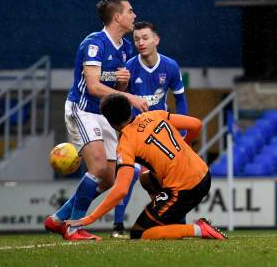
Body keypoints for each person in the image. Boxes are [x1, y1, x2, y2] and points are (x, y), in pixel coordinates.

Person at [43, 0, 149, 241]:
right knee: (99, 166)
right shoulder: (94, 43)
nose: (134, 15)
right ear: (117, 17)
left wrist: (123, 86)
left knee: (110, 178)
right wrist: (131, 98)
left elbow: (113, 91)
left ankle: (58, 219)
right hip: (82, 110)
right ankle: (73, 227)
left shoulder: (124, 48)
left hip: (102, 113)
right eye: (130, 11)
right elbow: (92, 87)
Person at [65, 94, 227, 241]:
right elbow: (197, 124)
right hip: (204, 173)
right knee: (145, 179)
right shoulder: (154, 114)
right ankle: (167, 219)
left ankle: (199, 229)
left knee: (141, 234)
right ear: (129, 109)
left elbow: (121, 189)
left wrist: (90, 218)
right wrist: (186, 143)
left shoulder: (126, 144)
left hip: (185, 189)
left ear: (110, 122)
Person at [111, 21, 189, 238]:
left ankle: (178, 223)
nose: (140, 43)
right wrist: (122, 87)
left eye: (145, 38)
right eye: (136, 39)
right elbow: (118, 101)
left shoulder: (170, 66)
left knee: (167, 181)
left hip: (161, 134)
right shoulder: (129, 69)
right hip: (134, 134)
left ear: (156, 40)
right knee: (129, 173)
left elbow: (180, 100)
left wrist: (181, 134)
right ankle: (118, 225)